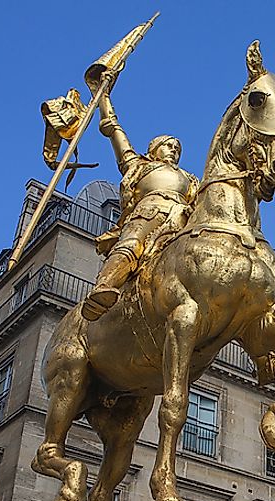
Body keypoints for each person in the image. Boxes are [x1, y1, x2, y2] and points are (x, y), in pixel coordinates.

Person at [81, 78, 199, 321]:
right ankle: (104, 286)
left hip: (181, 219)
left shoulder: (190, 179)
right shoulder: (139, 166)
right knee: (132, 244)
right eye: (169, 145)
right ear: (154, 149)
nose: (174, 150)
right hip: (149, 212)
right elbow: (114, 130)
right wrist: (103, 98)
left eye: (178, 148)